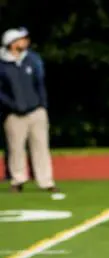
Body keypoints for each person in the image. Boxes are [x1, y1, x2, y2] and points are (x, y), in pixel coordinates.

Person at [1, 27, 54, 193]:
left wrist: (42, 105)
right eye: (21, 39)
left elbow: (40, 83)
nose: (25, 41)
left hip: (36, 111)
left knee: (41, 147)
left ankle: (46, 181)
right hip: (14, 114)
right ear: (11, 43)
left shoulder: (32, 59)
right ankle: (17, 180)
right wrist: (10, 105)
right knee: (16, 149)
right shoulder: (2, 64)